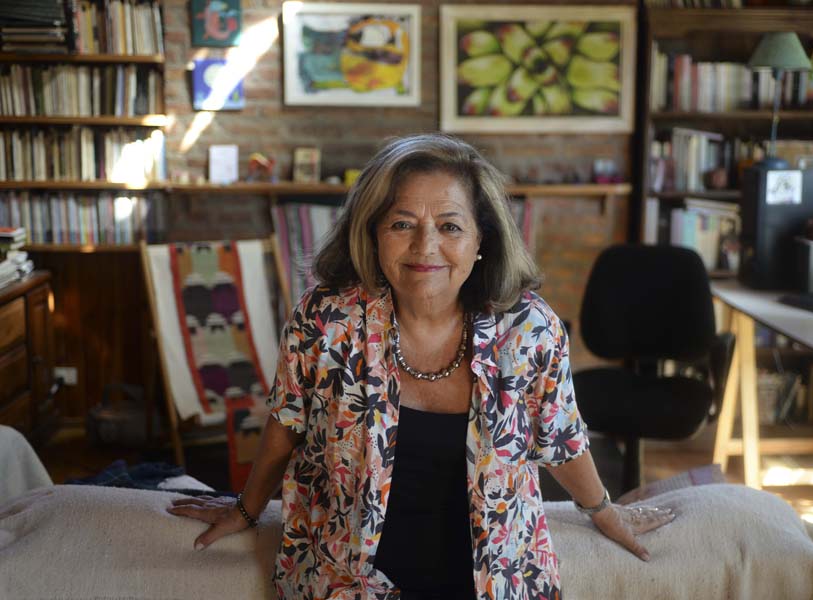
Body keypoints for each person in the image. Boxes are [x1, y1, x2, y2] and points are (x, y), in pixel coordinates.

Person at [167, 134, 675, 599]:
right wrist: (247, 507)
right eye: (402, 224)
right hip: (343, 581)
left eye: (450, 226)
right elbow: (286, 422)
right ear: (373, 233)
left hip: (493, 582)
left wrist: (603, 509)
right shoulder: (326, 319)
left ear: (482, 240)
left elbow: (560, 439)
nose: (425, 246)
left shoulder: (529, 330)